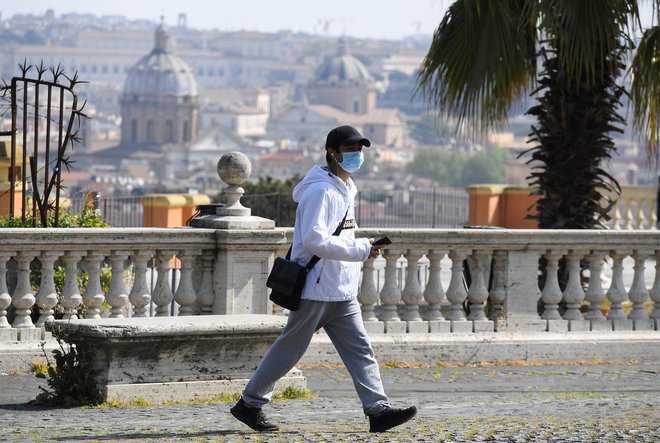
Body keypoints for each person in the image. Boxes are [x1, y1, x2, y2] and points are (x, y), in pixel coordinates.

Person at [230, 125, 417, 433]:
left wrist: (364, 247)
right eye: (350, 150)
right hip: (316, 289)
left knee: (360, 351)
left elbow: (338, 235)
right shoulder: (320, 191)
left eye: (360, 150)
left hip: (341, 290)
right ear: (332, 153)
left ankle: (377, 409)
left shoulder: (345, 187)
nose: (357, 156)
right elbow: (315, 240)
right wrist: (360, 248)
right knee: (289, 349)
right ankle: (249, 403)